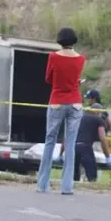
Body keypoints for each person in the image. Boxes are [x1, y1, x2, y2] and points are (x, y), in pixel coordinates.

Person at [37, 27, 85, 195]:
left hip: (57, 101)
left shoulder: (53, 57)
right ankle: (67, 187)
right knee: (70, 144)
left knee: (50, 141)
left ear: (59, 40)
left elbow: (48, 79)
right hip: (75, 103)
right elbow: (75, 79)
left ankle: (42, 184)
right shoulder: (81, 59)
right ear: (74, 41)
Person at [69, 103, 111, 183]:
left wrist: (61, 153)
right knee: (92, 177)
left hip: (73, 146)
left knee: (74, 177)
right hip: (85, 147)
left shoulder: (78, 117)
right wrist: (107, 156)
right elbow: (103, 139)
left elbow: (67, 135)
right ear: (99, 112)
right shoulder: (98, 120)